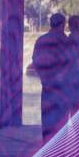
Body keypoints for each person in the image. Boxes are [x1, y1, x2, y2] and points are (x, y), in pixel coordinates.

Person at [32, 13, 72, 141]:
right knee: (61, 120)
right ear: (62, 25)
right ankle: (58, 151)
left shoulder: (41, 40)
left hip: (47, 86)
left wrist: (44, 78)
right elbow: (70, 64)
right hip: (63, 88)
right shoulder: (65, 41)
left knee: (47, 118)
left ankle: (46, 147)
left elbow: (36, 62)